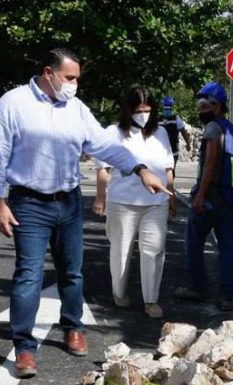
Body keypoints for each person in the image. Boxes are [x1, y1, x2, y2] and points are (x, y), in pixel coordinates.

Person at [0, 48, 171, 379]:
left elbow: (104, 146)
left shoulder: (77, 109)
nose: (74, 85)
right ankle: (24, 348)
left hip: (68, 202)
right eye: (70, 78)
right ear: (49, 73)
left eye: (77, 79)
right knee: (28, 275)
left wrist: (140, 169)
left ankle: (73, 327)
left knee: (72, 271)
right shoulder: (13, 105)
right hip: (29, 203)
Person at [92, 86, 176, 320]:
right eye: (139, 110)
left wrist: (171, 195)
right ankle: (119, 293)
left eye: (148, 110)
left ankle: (151, 300)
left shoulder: (160, 133)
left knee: (154, 251)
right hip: (122, 202)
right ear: (128, 110)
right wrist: (100, 198)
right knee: (121, 250)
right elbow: (103, 170)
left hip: (156, 201)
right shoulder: (113, 133)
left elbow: (168, 168)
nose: (143, 114)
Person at [177, 81, 233, 312]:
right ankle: (228, 296)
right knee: (227, 249)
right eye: (200, 105)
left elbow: (210, 164)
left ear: (217, 107)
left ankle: (196, 288)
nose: (200, 110)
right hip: (230, 200)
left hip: (210, 200)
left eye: (205, 105)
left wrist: (200, 196)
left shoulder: (213, 129)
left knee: (194, 242)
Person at [158, 96, 187, 174]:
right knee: (171, 171)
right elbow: (183, 131)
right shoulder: (176, 118)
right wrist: (188, 143)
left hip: (160, 151)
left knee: (161, 172)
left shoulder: (158, 118)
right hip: (173, 150)